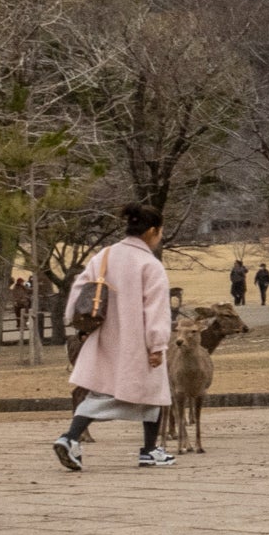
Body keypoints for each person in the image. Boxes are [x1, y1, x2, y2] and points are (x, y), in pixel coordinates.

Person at [54, 201, 178, 472]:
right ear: (153, 231)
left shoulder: (105, 256)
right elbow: (156, 310)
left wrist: (76, 321)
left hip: (105, 338)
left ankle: (74, 438)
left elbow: (79, 290)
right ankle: (147, 449)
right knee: (154, 390)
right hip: (139, 340)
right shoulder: (150, 265)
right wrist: (157, 344)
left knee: (102, 391)